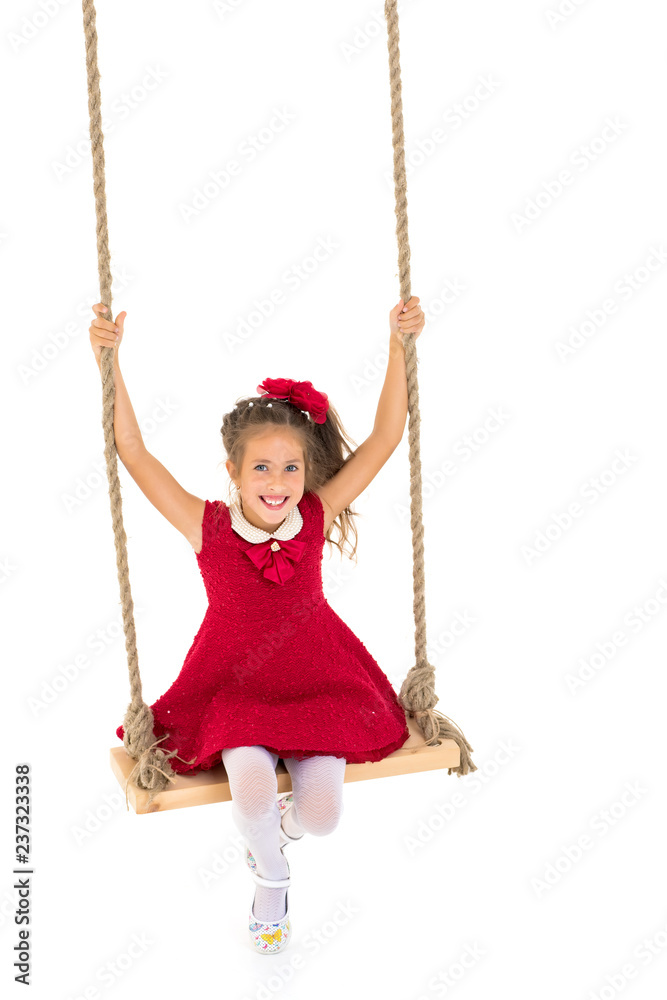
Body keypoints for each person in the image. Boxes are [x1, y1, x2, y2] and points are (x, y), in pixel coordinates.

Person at [88, 294, 426, 954]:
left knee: (323, 818)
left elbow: (386, 438)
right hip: (236, 691)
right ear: (233, 474)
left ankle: (282, 832)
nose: (277, 483)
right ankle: (270, 877)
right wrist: (110, 361)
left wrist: (395, 344)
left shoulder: (317, 515)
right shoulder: (207, 526)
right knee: (246, 792)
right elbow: (132, 449)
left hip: (319, 683)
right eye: (261, 469)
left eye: (291, 467)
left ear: (307, 471)